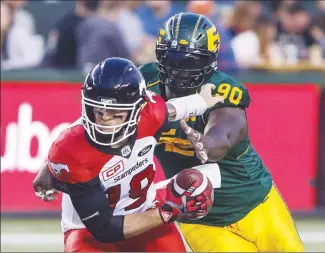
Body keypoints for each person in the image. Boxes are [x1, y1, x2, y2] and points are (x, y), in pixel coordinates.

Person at [138, 12, 304, 252]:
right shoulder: (144, 82)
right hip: (201, 219)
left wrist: (205, 144)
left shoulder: (221, 88)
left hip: (255, 203)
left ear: (210, 61)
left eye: (190, 61)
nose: (178, 69)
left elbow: (223, 136)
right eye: (171, 58)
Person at [33, 57, 220, 252]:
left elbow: (171, 110)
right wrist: (170, 210)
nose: (104, 120)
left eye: (115, 113)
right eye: (98, 110)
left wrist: (201, 102)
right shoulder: (72, 151)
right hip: (90, 232)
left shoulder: (151, 113)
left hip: (144, 211)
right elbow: (104, 229)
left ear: (137, 111)